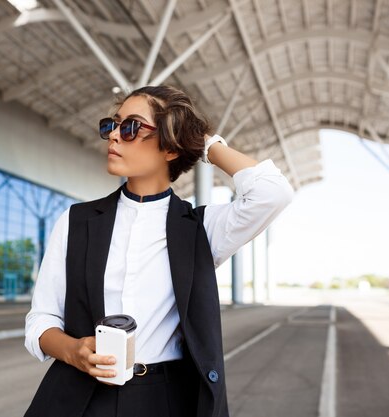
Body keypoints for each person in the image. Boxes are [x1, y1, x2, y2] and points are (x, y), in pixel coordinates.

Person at [23, 85, 294, 417]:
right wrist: (73, 351)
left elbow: (272, 193)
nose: (114, 137)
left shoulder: (200, 229)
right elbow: (42, 320)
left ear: (170, 147)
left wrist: (205, 143)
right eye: (113, 124)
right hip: (82, 397)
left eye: (131, 127)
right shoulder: (76, 221)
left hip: (166, 400)